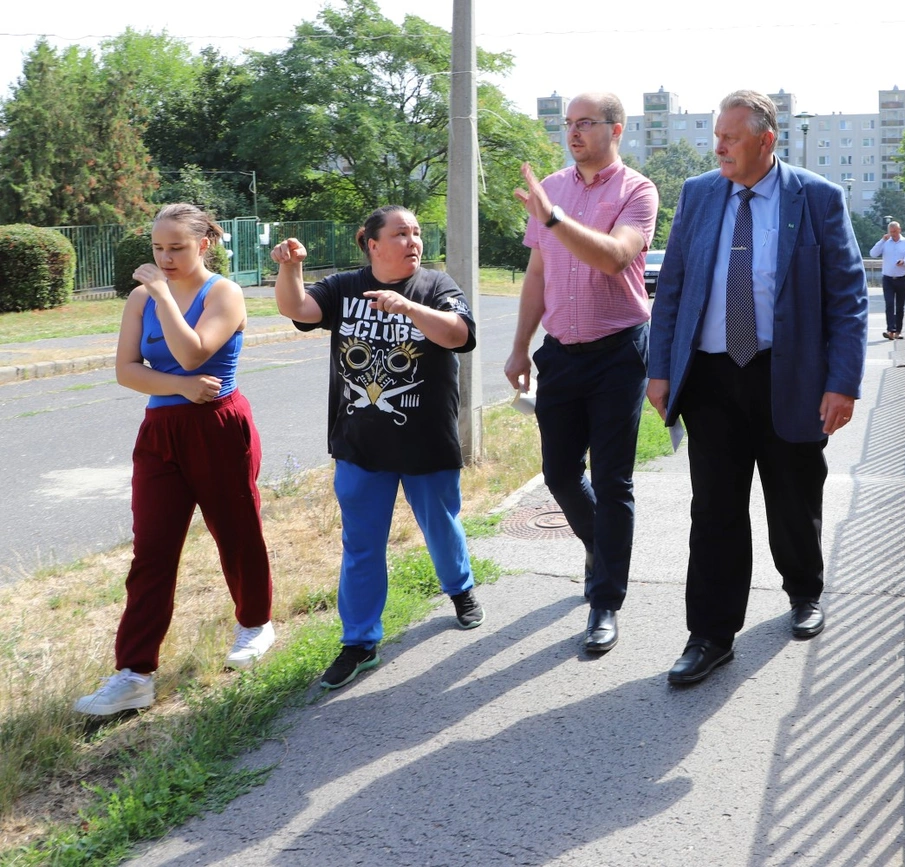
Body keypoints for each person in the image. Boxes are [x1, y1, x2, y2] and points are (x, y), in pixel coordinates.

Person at [647, 90, 868, 685]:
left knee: (793, 496)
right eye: (716, 135)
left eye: (731, 137)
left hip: (789, 372)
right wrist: (660, 367)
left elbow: (847, 298)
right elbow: (673, 289)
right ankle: (711, 635)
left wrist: (842, 382)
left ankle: (805, 590)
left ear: (767, 141)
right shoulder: (698, 194)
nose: (718, 145)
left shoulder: (818, 198)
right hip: (713, 378)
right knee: (715, 507)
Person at [74, 203, 276, 716]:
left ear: (203, 244)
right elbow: (127, 370)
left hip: (218, 427)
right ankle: (134, 673)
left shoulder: (224, 293)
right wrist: (182, 389)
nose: (165, 258)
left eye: (177, 248)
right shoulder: (141, 299)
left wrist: (164, 299)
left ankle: (255, 624)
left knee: (235, 531)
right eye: (158, 249)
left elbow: (193, 352)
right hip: (160, 431)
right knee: (152, 552)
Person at [271, 205, 481, 690]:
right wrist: (290, 267)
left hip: (425, 439)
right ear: (371, 243)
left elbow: (460, 334)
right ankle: (360, 642)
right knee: (361, 546)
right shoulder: (345, 287)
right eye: (401, 233)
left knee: (441, 528)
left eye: (417, 234)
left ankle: (461, 588)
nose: (413, 242)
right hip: (360, 445)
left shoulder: (436, 287)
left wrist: (409, 308)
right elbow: (297, 308)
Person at [505, 91, 658, 654]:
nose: (574, 133)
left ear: (615, 130)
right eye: (568, 124)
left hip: (619, 352)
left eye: (586, 123)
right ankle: (602, 546)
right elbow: (538, 271)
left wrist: (554, 216)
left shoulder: (637, 190)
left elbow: (616, 257)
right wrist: (521, 347)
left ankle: (605, 601)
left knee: (613, 479)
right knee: (560, 474)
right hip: (561, 354)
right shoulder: (553, 186)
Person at [869, 221, 905, 340]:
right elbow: (873, 254)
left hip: (901, 278)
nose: (893, 234)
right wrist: (882, 241)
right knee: (889, 304)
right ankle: (890, 330)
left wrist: (904, 262)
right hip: (888, 279)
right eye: (891, 232)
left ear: (899, 230)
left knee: (900, 306)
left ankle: (898, 331)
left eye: (895, 231)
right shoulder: (885, 243)